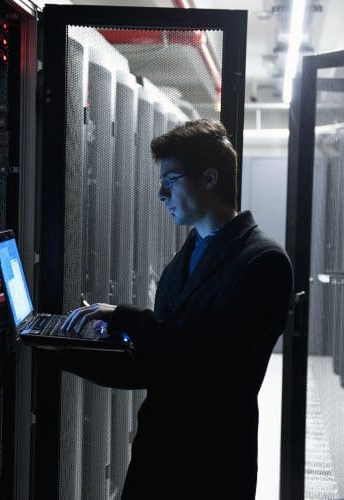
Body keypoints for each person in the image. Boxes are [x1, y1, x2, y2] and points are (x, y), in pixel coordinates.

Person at [60, 119, 293, 499]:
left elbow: (198, 360)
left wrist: (123, 317)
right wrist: (62, 352)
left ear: (209, 179)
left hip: (209, 465)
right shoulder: (186, 257)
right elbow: (154, 364)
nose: (160, 193)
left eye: (170, 180)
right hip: (157, 457)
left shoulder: (263, 263)